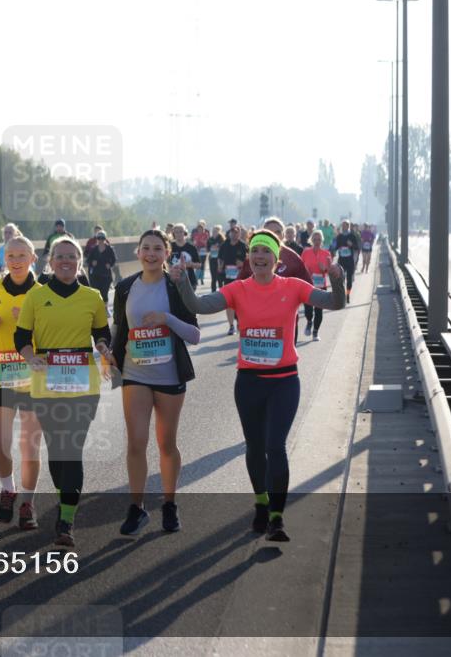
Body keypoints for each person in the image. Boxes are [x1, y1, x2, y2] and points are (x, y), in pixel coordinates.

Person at [170, 229, 346, 541]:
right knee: (254, 447)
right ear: (250, 259)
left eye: (266, 252)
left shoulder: (293, 286)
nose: (260, 257)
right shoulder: (237, 289)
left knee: (274, 446)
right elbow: (198, 305)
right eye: (255, 252)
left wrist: (337, 279)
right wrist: (181, 281)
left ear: (277, 259)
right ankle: (261, 505)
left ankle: (277, 517)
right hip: (249, 382)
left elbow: (334, 302)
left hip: (284, 381)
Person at [15, 236, 113, 548]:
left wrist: (102, 345)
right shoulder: (36, 296)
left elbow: (101, 330)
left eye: (72, 256)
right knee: (57, 450)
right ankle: (65, 501)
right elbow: (21, 335)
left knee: (71, 449)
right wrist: (30, 356)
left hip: (83, 386)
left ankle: (66, 520)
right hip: (47, 385)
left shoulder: (92, 296)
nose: (66, 261)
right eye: (60, 256)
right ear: (51, 261)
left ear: (80, 261)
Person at [110, 230, 201, 535]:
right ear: (137, 252)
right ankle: (136, 508)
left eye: (157, 249)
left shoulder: (176, 286)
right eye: (146, 248)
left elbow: (195, 334)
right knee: (136, 442)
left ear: (166, 253)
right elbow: (119, 332)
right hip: (135, 374)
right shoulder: (124, 288)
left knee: (166, 443)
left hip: (169, 375)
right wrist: (110, 361)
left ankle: (170, 504)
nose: (151, 254)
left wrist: (167, 319)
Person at [0, 236, 43, 529]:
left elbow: (54, 335)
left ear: (32, 258)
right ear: (5, 259)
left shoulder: (42, 294)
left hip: (32, 379)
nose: (15, 261)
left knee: (29, 448)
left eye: (21, 255)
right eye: (11, 255)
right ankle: (8, 489)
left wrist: (31, 321)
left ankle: (27, 502)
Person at [301, 230, 332, 341]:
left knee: (318, 310)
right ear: (311, 240)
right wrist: (306, 271)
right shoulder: (306, 252)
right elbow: (301, 266)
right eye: (315, 239)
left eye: (319, 239)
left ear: (322, 240)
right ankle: (309, 321)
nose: (317, 241)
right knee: (308, 309)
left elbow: (330, 271)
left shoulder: (326, 254)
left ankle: (315, 332)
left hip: (320, 284)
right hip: (308, 283)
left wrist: (325, 269)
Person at [217, 226, 248, 334]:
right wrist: (220, 266)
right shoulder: (224, 245)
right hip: (227, 277)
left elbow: (250, 262)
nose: (234, 234)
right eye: (232, 232)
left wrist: (243, 264)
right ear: (229, 233)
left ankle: (240, 322)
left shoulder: (243, 246)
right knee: (229, 302)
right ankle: (231, 326)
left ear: (239, 234)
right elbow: (220, 258)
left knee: (240, 302)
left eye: (236, 232)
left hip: (241, 278)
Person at [84, 232, 117, 304]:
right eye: (99, 238)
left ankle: (105, 309)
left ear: (105, 239)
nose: (100, 240)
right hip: (95, 275)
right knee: (96, 294)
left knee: (104, 294)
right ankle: (98, 309)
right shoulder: (93, 249)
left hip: (106, 275)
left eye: (102, 238)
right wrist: (92, 262)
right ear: (96, 239)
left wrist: (110, 264)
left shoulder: (109, 249)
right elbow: (87, 260)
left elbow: (114, 259)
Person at [332, 220, 359, 303]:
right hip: (341, 260)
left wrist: (352, 245)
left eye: (346, 225)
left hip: (349, 260)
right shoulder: (339, 236)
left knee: (349, 280)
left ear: (348, 226)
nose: (344, 227)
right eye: (343, 225)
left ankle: (348, 294)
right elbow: (335, 247)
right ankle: (343, 295)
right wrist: (335, 249)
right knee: (341, 279)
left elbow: (357, 247)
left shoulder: (352, 236)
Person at [206, 225, 225, 292]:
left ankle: (222, 291)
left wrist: (218, 247)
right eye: (213, 231)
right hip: (212, 259)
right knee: (213, 277)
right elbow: (207, 249)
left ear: (219, 232)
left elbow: (224, 249)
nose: (214, 232)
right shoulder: (210, 239)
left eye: (216, 231)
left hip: (219, 260)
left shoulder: (221, 239)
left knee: (219, 277)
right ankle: (213, 292)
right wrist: (211, 248)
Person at [190, 221, 209, 286]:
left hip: (203, 251)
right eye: (198, 229)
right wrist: (195, 245)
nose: (199, 230)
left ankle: (202, 278)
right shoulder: (195, 234)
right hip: (197, 251)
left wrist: (203, 243)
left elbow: (207, 243)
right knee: (198, 264)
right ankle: (197, 278)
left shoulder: (205, 234)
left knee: (203, 265)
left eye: (201, 228)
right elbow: (194, 242)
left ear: (203, 229)